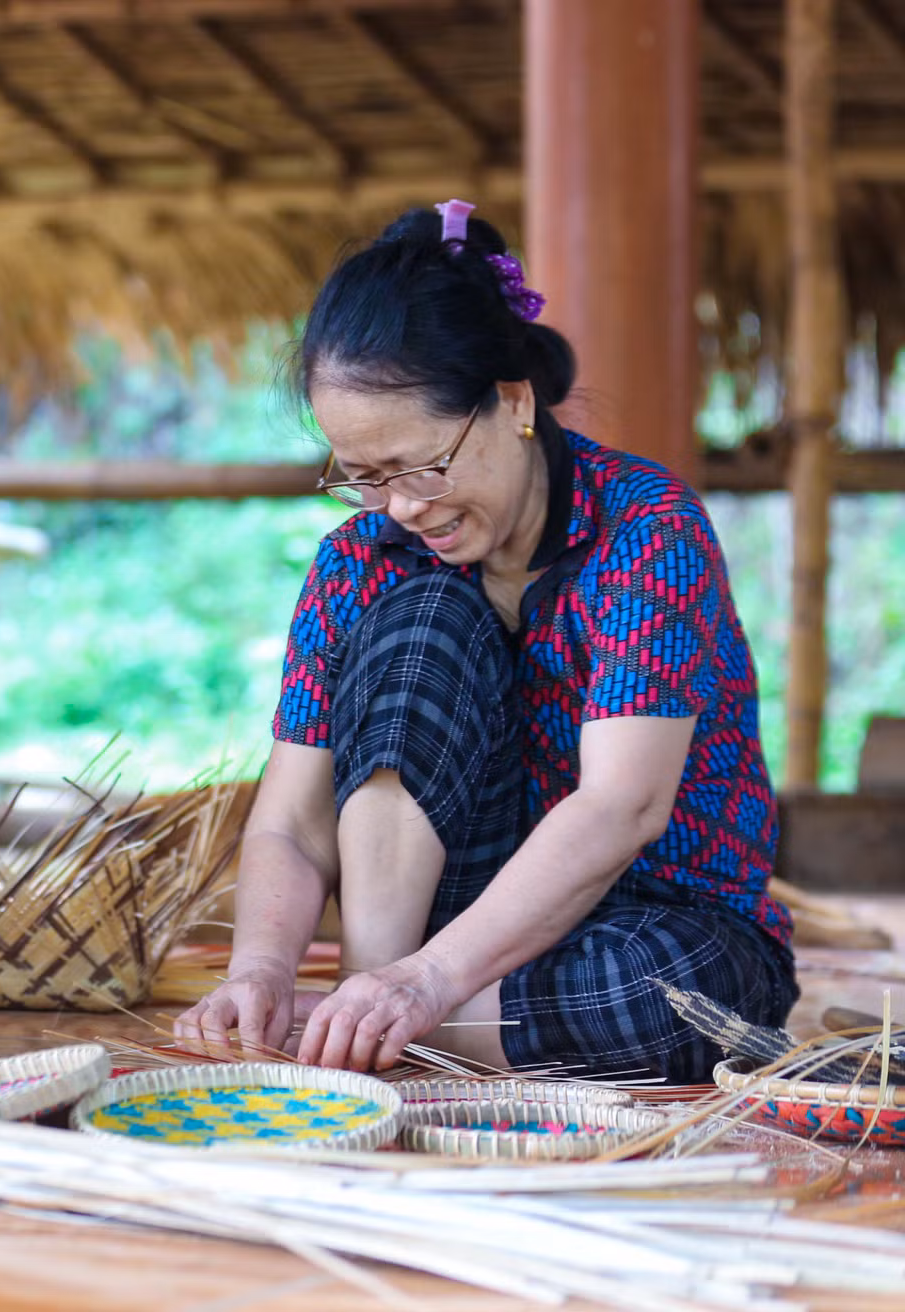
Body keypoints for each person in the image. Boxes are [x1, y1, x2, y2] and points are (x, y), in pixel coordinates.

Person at [173, 200, 795, 1083]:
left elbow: (621, 808)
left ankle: (375, 1028)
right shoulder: (360, 559)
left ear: (512, 403)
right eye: (364, 477)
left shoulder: (647, 533)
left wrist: (429, 983)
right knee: (421, 620)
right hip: (438, 944)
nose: (401, 507)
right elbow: (291, 821)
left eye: (422, 467)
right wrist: (260, 972)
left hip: (650, 922)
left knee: (680, 998)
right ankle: (370, 1007)